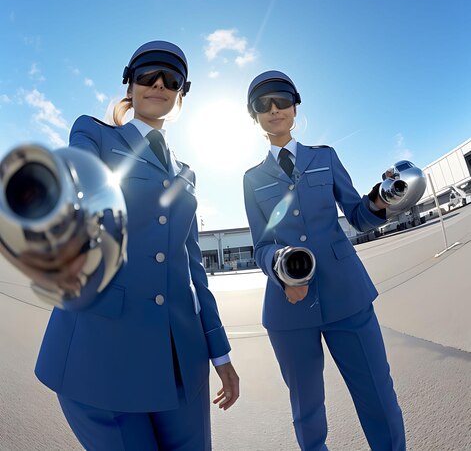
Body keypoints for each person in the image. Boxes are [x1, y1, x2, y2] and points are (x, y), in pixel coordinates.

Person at [20, 41, 239, 451]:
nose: (158, 84)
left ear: (181, 94)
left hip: (183, 362)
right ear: (129, 82)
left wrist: (220, 353)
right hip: (103, 356)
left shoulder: (187, 172)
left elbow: (194, 270)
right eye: (147, 74)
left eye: (170, 79)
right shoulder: (95, 135)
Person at [243, 70, 405, 451]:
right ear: (254, 116)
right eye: (262, 105)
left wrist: (380, 199)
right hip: (289, 309)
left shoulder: (324, 157)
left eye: (282, 99)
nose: (274, 109)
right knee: (307, 410)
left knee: (378, 397)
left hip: (347, 295)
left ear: (295, 106)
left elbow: (358, 216)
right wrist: (282, 269)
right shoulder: (251, 179)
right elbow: (260, 245)